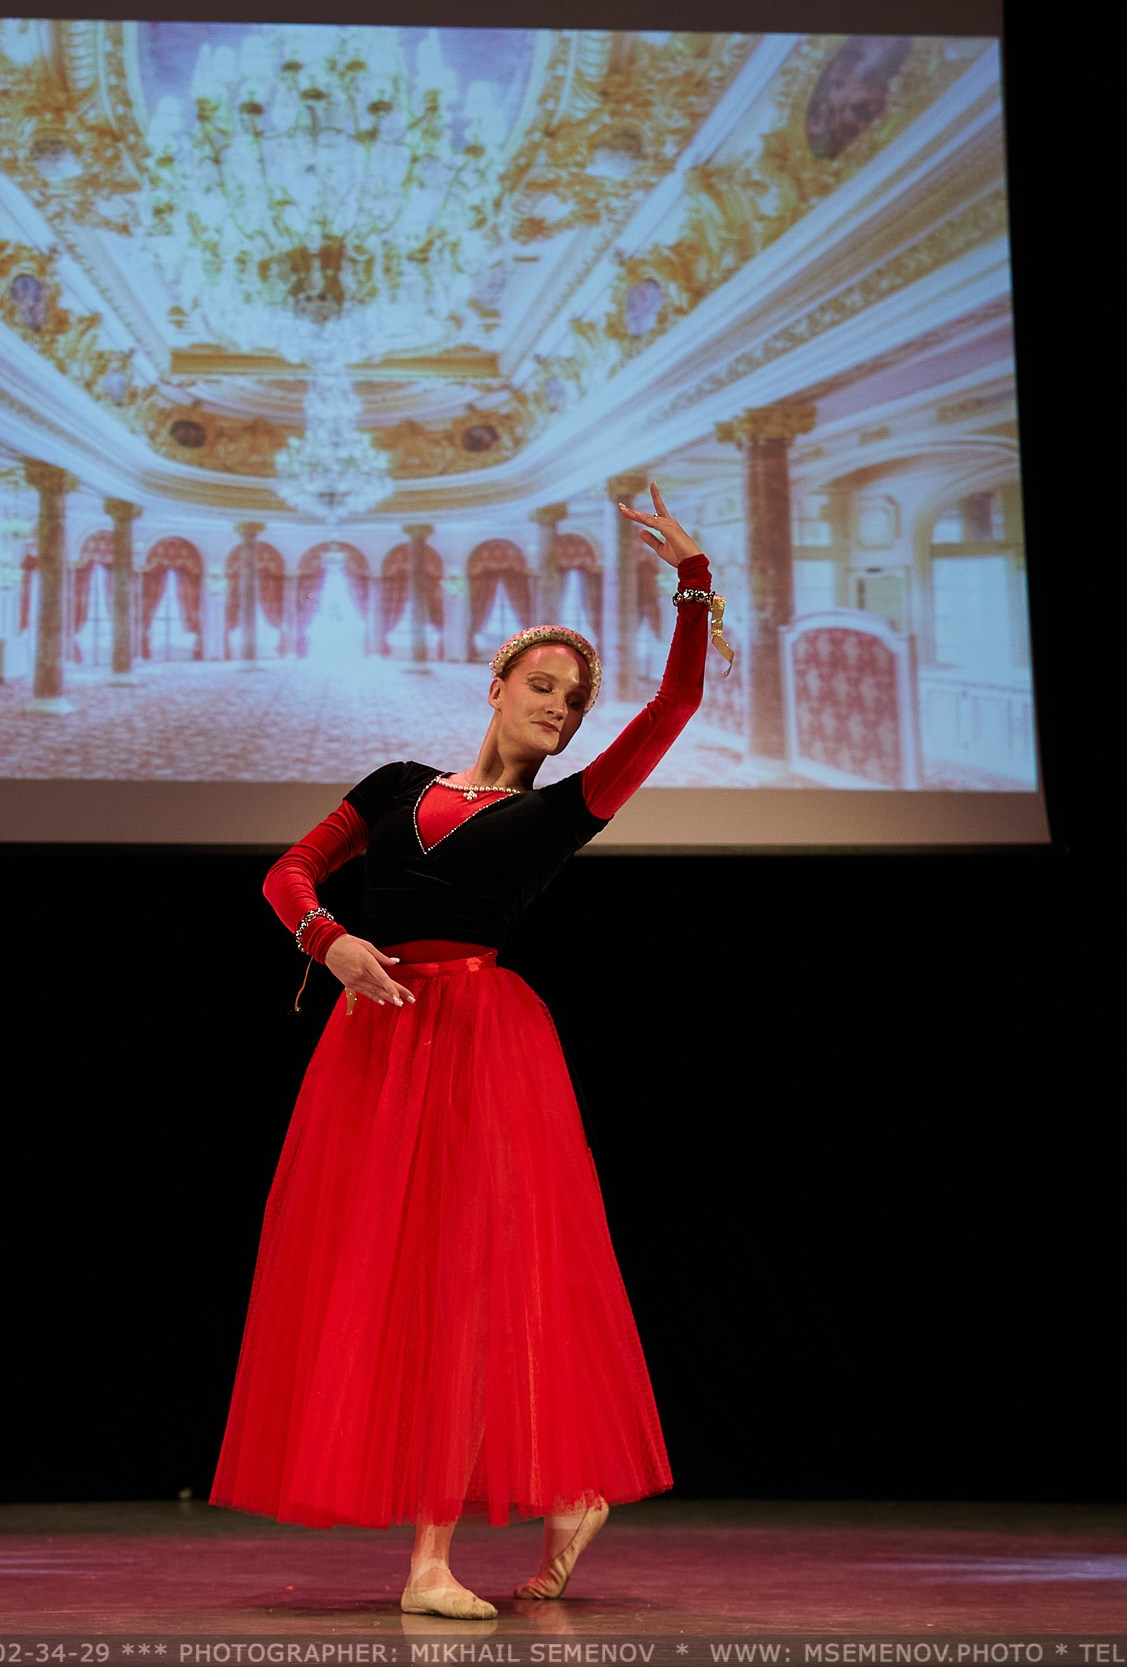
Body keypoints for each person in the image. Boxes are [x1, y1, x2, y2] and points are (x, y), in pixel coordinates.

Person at [209, 486, 717, 1617]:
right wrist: (331, 942)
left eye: (574, 701)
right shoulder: (396, 787)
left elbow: (674, 703)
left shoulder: (562, 811)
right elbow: (284, 873)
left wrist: (693, 582)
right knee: (381, 1282)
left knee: (463, 1278)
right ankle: (566, 1495)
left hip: (478, 1044)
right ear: (495, 684)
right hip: (377, 1039)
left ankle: (434, 1559)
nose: (559, 708)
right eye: (542, 686)